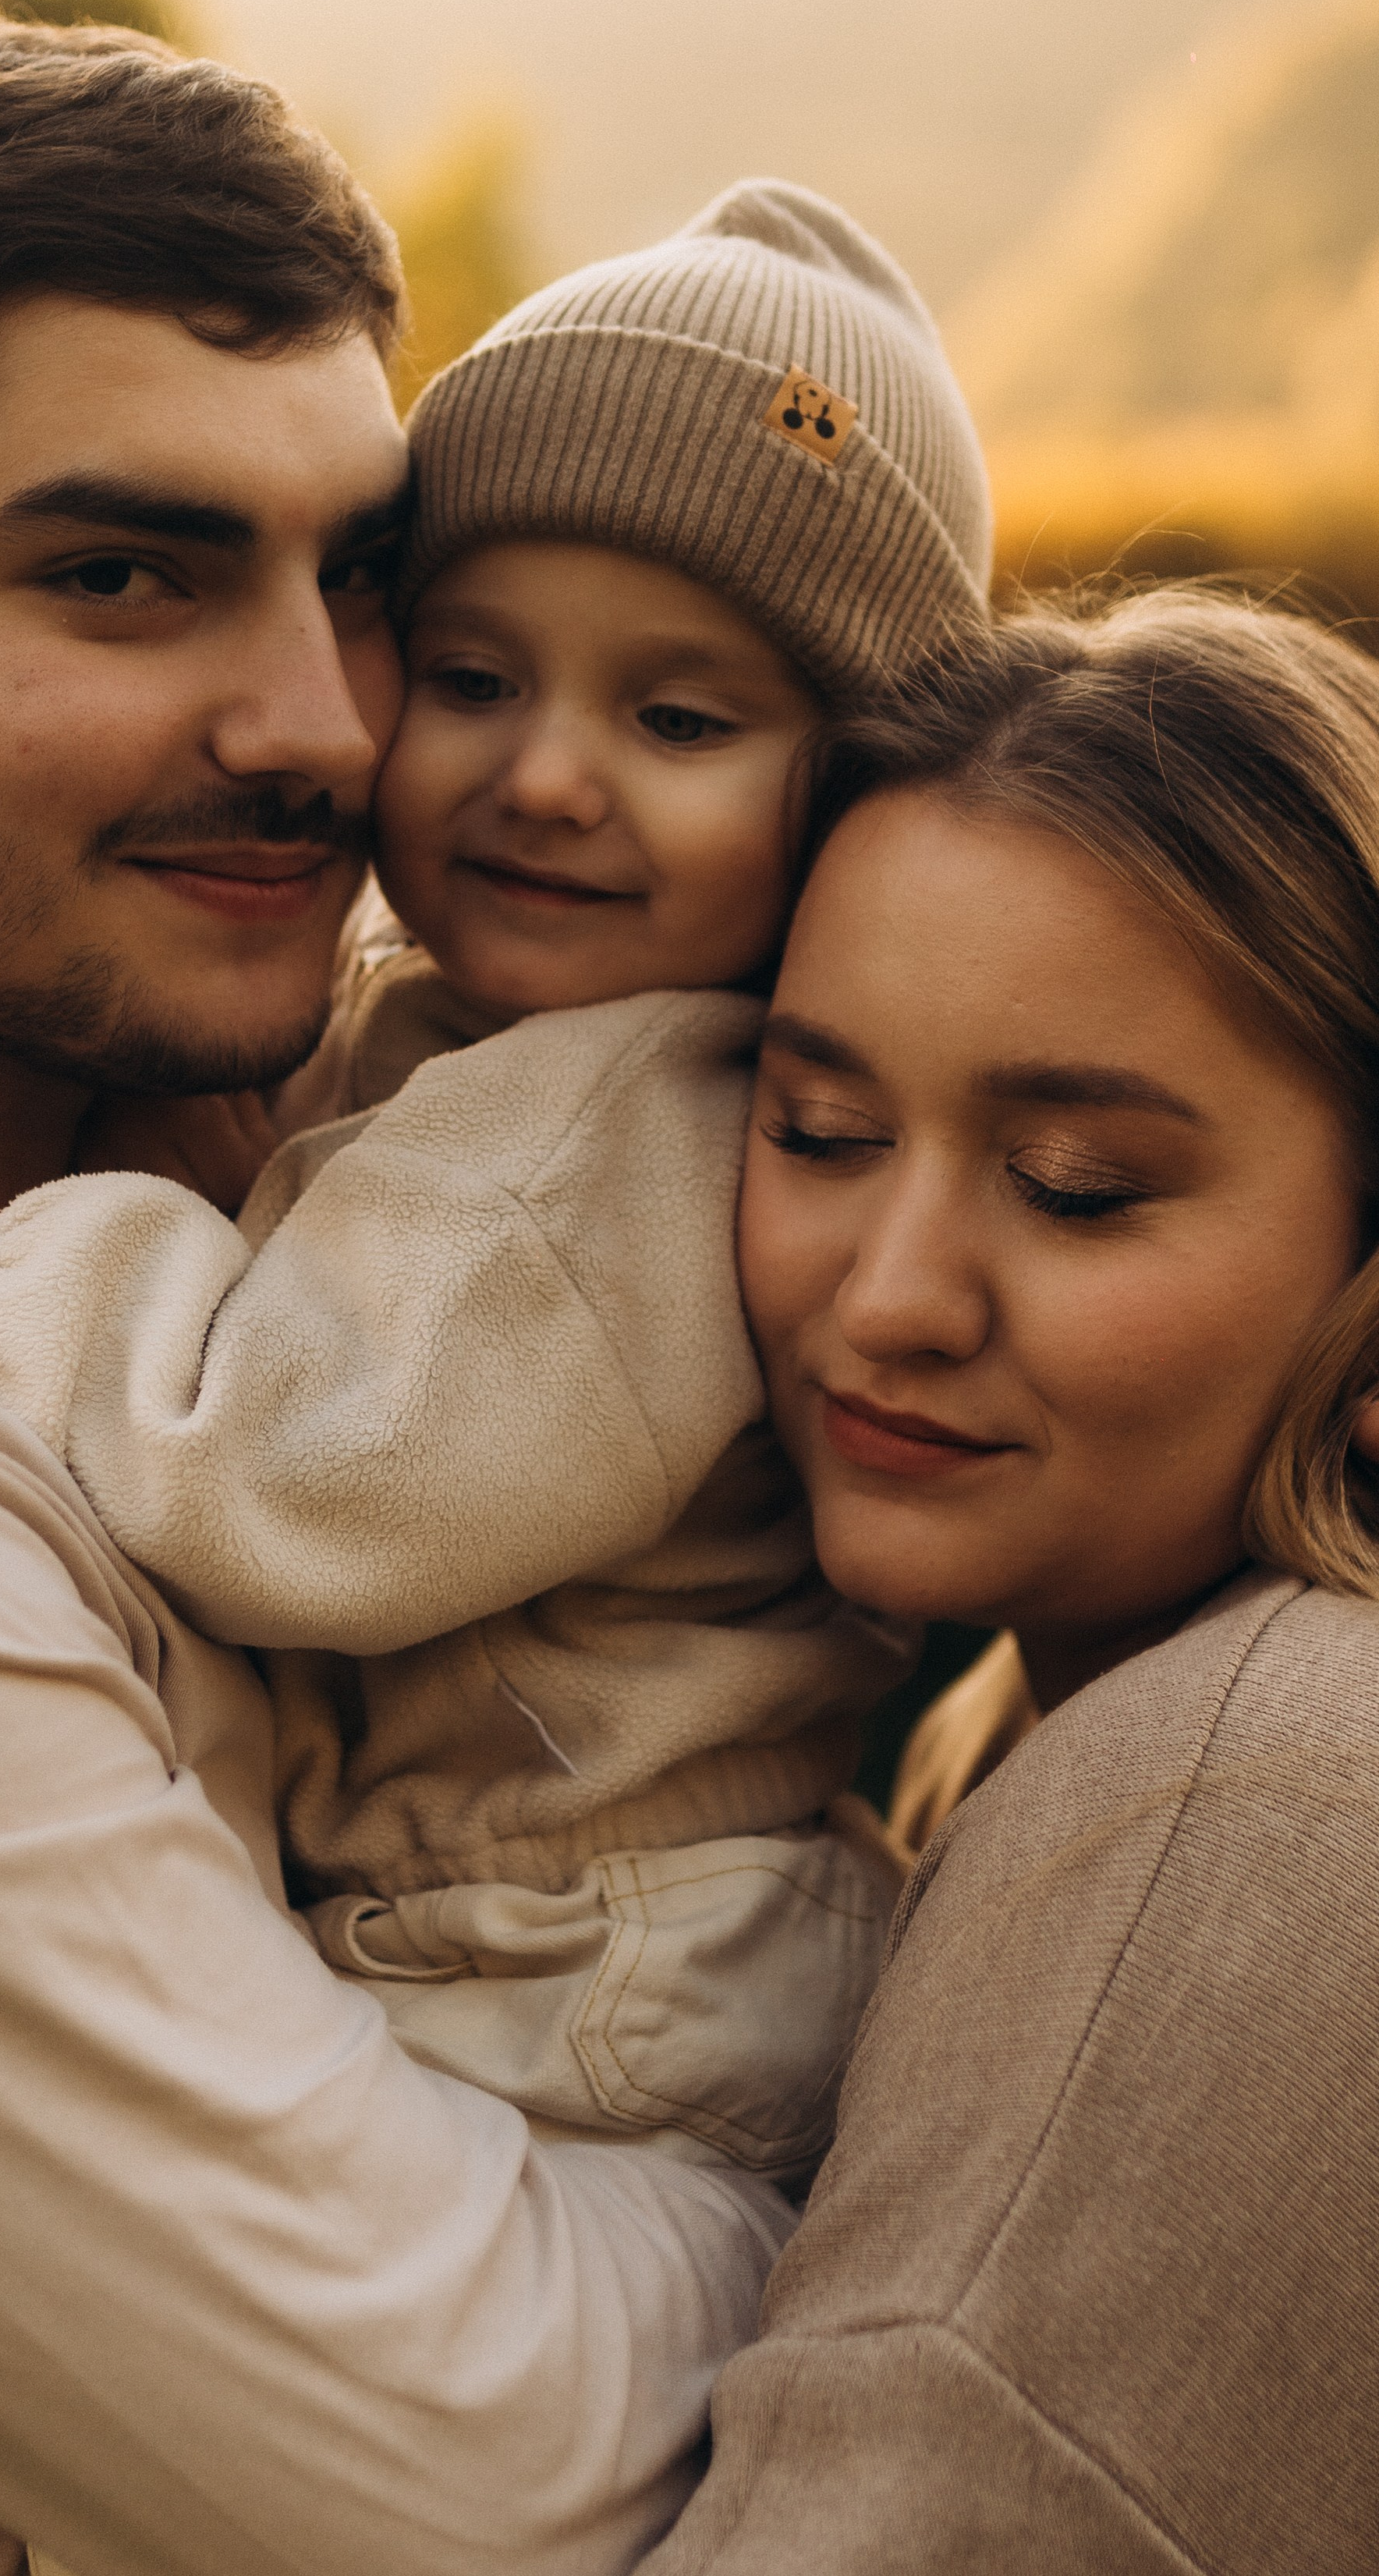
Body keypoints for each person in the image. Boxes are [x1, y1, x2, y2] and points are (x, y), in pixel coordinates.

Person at [0, 18, 803, 2576]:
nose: (324, 727)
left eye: (365, 580)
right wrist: (953, 2149)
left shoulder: (354, 1135)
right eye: (119, 572)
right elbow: (488, 2485)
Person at [0, 183, 992, 2186]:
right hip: (554, 1919)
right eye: (475, 678)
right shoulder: (485, 1038)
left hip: (581, 1974)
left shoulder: (629, 1122)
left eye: (676, 719)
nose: (550, 776)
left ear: (852, 790)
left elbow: (281, 1476)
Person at [647, 583, 1379, 2573]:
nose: (885, 1299)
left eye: (1075, 1187)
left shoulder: (1245, 1783)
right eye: (817, 1129)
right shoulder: (1009, 1724)